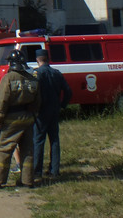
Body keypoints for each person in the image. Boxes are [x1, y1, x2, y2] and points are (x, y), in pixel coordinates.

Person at [0, 50, 40, 189]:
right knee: (27, 150)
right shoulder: (33, 79)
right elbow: (37, 103)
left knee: (4, 149)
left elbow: (1, 102)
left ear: (11, 63)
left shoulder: (8, 79)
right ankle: (27, 181)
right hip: (28, 120)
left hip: (11, 120)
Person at [33, 48, 72, 180]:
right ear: (48, 59)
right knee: (54, 140)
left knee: (38, 140)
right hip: (54, 110)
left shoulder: (36, 74)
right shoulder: (57, 73)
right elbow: (68, 91)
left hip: (41, 111)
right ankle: (54, 170)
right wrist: (62, 105)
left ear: (37, 59)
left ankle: (37, 170)